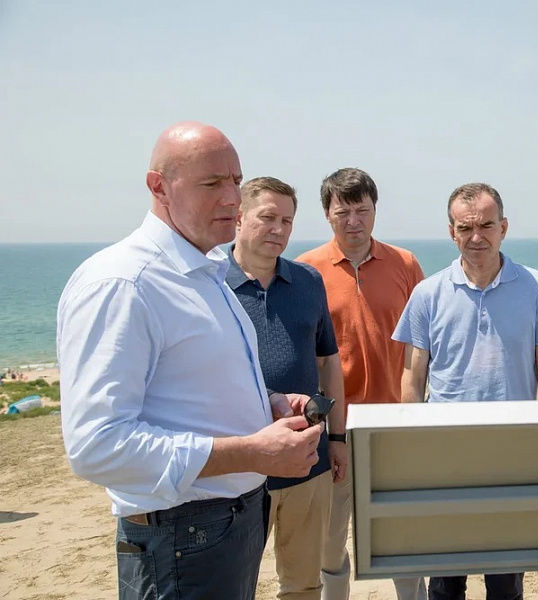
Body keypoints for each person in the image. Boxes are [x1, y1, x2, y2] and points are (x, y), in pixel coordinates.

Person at [57, 122, 323, 600]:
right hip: (181, 538)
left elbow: (191, 386)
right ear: (158, 186)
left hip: (224, 527)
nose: (232, 198)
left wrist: (267, 403)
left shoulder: (204, 271)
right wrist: (252, 452)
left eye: (236, 181)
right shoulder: (124, 283)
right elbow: (97, 445)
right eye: (212, 183)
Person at [393, 182, 538, 600]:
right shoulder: (427, 294)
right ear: (451, 232)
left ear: (503, 227)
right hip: (446, 455)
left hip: (514, 453)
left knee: (505, 579)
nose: (476, 237)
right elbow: (412, 379)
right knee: (445, 580)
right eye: (465, 227)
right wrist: (412, 447)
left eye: (486, 225)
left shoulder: (537, 287)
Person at [296, 168, 426, 600]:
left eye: (362, 210)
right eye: (343, 212)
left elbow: (423, 343)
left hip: (395, 423)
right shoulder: (305, 270)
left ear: (375, 210)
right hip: (335, 430)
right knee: (331, 539)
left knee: (402, 533)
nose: (353, 221)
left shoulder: (405, 264)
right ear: (327, 215)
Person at [227, 176, 347, 600]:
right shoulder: (209, 284)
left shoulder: (308, 282)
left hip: (306, 460)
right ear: (238, 217)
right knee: (232, 585)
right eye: (267, 218)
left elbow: (328, 362)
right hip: (237, 465)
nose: (278, 229)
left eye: (287, 221)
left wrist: (337, 439)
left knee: (303, 585)